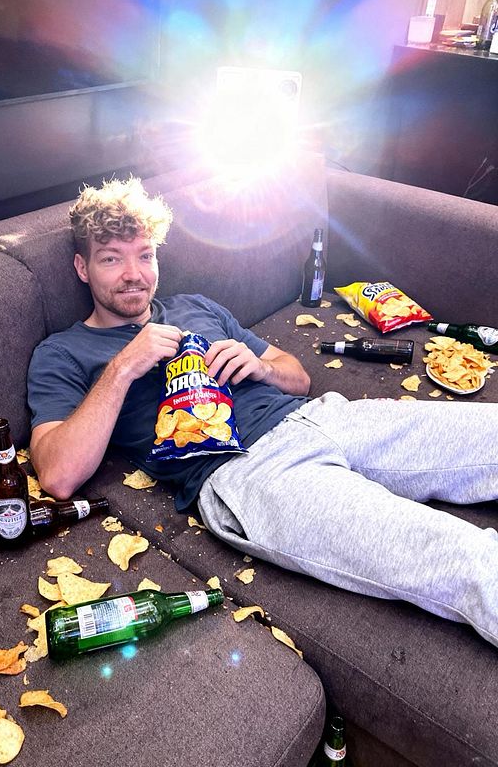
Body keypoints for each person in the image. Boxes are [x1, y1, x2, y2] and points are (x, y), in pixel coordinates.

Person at [27, 177, 498, 648]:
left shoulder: (195, 306)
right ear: (82, 268)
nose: (134, 274)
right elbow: (59, 475)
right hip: (250, 471)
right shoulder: (63, 352)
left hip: (323, 417)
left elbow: (298, 376)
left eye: (145, 255)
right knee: (465, 559)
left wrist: (261, 368)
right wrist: (124, 366)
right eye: (112, 258)